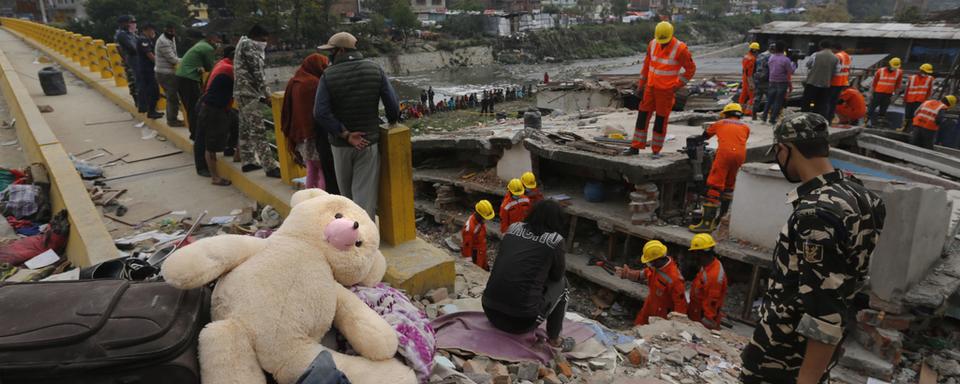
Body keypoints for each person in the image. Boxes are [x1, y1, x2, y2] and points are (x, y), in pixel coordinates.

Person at [741, 112, 886, 384]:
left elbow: (823, 311)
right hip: (815, 355)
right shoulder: (863, 196)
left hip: (784, 359)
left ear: (785, 149)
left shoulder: (815, 214)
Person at [314, 32, 400, 220]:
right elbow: (392, 106)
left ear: (341, 50)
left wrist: (345, 133)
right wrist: (392, 120)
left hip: (341, 145)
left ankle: (347, 238)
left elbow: (320, 112)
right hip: (368, 143)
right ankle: (363, 240)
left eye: (331, 51)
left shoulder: (328, 75)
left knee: (347, 197)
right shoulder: (374, 69)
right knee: (364, 198)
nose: (330, 56)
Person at [482, 200, 574, 351]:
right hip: (520, 322)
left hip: (490, 310)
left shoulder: (513, 228)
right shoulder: (555, 240)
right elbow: (557, 276)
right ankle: (555, 339)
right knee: (564, 285)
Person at [624, 21, 696, 158]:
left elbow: (690, 70)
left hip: (666, 91)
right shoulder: (653, 44)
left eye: (665, 41)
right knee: (642, 116)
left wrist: (676, 86)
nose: (662, 43)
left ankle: (656, 150)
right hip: (650, 88)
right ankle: (635, 146)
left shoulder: (680, 49)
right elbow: (646, 66)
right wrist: (641, 85)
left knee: (660, 120)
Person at [689, 103, 750, 233]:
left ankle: (706, 224)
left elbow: (704, 136)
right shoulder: (745, 127)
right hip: (740, 156)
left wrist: (695, 143)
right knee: (729, 186)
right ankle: (721, 220)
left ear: (726, 113)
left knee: (714, 186)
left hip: (724, 154)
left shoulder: (721, 122)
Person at [282, 54, 338, 192]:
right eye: (323, 66)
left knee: (311, 169)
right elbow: (320, 112)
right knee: (324, 171)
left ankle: (309, 198)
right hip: (313, 135)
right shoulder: (313, 84)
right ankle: (322, 200)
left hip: (300, 135)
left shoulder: (294, 81)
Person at [234, 25, 279, 178]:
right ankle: (270, 166)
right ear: (256, 37)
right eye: (263, 40)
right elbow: (258, 72)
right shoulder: (249, 46)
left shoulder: (243, 43)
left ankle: (248, 161)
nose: (265, 43)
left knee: (245, 128)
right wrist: (267, 95)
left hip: (243, 92)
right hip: (247, 92)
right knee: (258, 129)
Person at [176, 30, 220, 176]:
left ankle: (194, 132)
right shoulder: (207, 48)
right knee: (196, 112)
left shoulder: (200, 45)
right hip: (189, 79)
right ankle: (196, 133)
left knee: (191, 108)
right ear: (212, 39)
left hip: (182, 77)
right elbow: (210, 67)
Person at [614, 240, 687, 325]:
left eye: (650, 262)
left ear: (657, 260)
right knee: (639, 325)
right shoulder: (656, 267)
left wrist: (676, 324)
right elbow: (642, 274)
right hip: (650, 304)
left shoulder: (675, 279)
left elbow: (680, 305)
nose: (649, 264)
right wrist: (628, 274)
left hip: (662, 313)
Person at [195, 46, 237, 186]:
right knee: (211, 145)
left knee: (235, 125)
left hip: (212, 106)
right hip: (213, 110)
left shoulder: (222, 64)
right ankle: (215, 177)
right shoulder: (230, 70)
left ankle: (235, 153)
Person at [686, 234, 728, 330]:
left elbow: (711, 307)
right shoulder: (708, 265)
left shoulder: (714, 276)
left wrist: (702, 328)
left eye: (694, 253)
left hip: (702, 321)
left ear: (700, 253)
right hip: (695, 312)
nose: (693, 256)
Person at [154, 23, 184, 127]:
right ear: (165, 30)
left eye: (173, 30)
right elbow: (172, 59)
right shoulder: (163, 42)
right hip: (165, 74)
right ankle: (172, 120)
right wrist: (187, 60)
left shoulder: (171, 38)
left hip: (168, 72)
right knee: (172, 97)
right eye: (170, 30)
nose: (172, 32)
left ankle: (172, 118)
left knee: (172, 97)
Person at [801, 40, 838, 119]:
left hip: (812, 82)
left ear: (821, 46)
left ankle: (804, 119)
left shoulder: (815, 55)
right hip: (825, 85)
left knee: (806, 103)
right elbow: (837, 71)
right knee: (821, 104)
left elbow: (808, 64)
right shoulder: (835, 58)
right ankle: (817, 121)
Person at [135, 23, 163, 119]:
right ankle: (151, 111)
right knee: (153, 90)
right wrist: (159, 64)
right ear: (147, 30)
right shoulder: (143, 40)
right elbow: (149, 54)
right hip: (147, 70)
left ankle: (152, 110)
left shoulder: (147, 39)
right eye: (152, 30)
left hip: (148, 69)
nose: (153, 32)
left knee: (152, 90)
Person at [762, 43, 794, 124]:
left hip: (772, 81)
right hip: (782, 82)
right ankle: (772, 119)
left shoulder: (771, 57)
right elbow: (790, 71)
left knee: (769, 100)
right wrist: (795, 64)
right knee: (778, 101)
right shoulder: (786, 60)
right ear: (784, 49)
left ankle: (764, 116)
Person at [867, 58, 903, 128]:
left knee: (883, 109)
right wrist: (870, 93)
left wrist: (895, 96)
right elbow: (874, 83)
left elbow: (898, 85)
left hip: (888, 94)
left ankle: (879, 123)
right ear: (889, 65)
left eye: (896, 67)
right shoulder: (880, 71)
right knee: (872, 107)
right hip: (878, 93)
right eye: (893, 67)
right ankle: (867, 121)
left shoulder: (899, 72)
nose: (895, 68)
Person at [902, 63, 935, 132]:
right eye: (925, 72)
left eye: (927, 72)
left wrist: (927, 102)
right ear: (921, 70)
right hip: (910, 99)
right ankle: (904, 128)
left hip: (920, 101)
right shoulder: (912, 78)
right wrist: (905, 99)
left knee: (916, 116)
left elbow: (930, 91)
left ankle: (912, 130)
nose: (926, 73)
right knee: (907, 115)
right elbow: (907, 89)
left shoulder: (930, 79)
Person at [462, 200, 494, 270]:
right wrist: (469, 260)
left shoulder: (479, 221)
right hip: (475, 253)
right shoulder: (470, 228)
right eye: (484, 217)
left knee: (484, 266)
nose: (485, 219)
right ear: (479, 214)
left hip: (481, 250)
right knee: (478, 269)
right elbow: (467, 245)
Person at [114, 15, 139, 106]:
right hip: (129, 60)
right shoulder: (120, 34)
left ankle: (140, 100)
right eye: (128, 22)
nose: (130, 24)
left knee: (136, 80)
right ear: (122, 23)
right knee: (133, 80)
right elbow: (120, 49)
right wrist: (126, 60)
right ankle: (137, 100)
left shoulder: (129, 33)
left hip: (133, 60)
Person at [826, 42, 851, 123]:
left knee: (828, 101)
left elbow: (833, 69)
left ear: (834, 48)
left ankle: (826, 118)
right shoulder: (847, 56)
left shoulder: (837, 56)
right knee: (834, 102)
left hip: (834, 82)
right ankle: (830, 118)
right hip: (842, 82)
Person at [752, 44, 772, 121]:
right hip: (767, 80)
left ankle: (754, 115)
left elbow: (755, 67)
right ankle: (765, 116)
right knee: (769, 99)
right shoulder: (771, 56)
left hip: (757, 79)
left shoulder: (760, 55)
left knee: (757, 98)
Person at [739, 42, 759, 116]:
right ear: (755, 51)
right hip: (748, 78)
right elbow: (749, 72)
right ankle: (748, 111)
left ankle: (740, 109)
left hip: (744, 77)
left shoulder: (745, 56)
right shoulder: (752, 59)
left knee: (743, 95)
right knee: (752, 96)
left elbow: (744, 70)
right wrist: (751, 83)